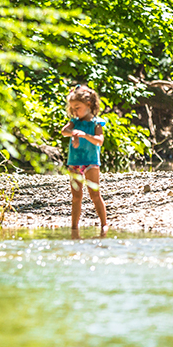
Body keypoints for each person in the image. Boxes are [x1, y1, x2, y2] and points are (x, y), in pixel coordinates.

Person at [61, 85, 108, 236]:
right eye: (73, 108)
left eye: (77, 107)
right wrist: (74, 133)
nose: (75, 111)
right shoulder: (74, 122)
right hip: (74, 163)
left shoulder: (96, 123)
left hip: (91, 163)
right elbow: (64, 131)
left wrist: (84, 135)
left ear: (88, 105)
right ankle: (74, 227)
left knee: (95, 194)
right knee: (76, 197)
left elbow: (99, 141)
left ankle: (104, 224)